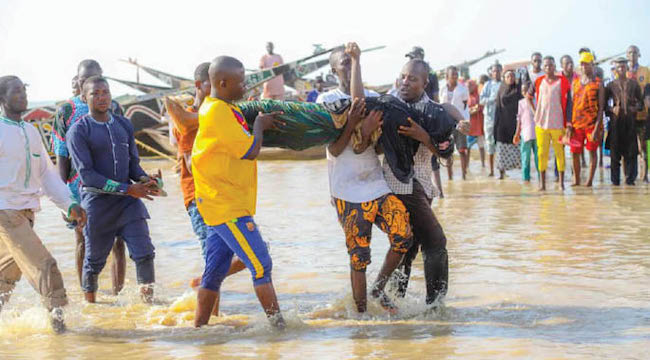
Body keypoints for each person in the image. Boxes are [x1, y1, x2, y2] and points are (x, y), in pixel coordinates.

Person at [317, 44, 413, 314]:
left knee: (403, 235)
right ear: (333, 69)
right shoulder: (326, 101)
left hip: (375, 183)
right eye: (344, 62)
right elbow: (334, 149)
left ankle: (377, 289)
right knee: (359, 256)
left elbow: (380, 148)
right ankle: (360, 315)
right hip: (346, 190)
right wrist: (353, 124)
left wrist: (372, 131)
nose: (350, 66)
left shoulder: (372, 97)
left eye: (353, 61)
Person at [192, 56, 285, 328]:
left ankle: (199, 331)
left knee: (215, 272)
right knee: (261, 264)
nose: (246, 86)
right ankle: (279, 330)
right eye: (242, 81)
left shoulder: (220, 107)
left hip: (218, 202)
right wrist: (260, 126)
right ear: (222, 83)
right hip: (226, 205)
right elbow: (250, 149)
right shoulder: (217, 112)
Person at [0, 75, 86, 333]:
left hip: (26, 212)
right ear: (2, 98)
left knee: (5, 277)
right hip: (5, 211)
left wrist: (69, 204)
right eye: (16, 92)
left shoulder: (31, 131)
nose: (23, 96)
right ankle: (61, 333)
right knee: (46, 266)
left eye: (24, 90)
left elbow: (47, 175)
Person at [67, 76, 158, 304]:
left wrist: (147, 180)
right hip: (98, 204)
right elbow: (87, 176)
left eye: (105, 92)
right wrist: (129, 188)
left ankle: (149, 307)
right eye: (95, 93)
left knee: (145, 254)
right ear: (84, 97)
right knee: (94, 262)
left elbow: (133, 166)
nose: (101, 97)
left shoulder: (124, 125)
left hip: (128, 204)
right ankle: (91, 308)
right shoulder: (78, 131)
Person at [165, 63, 246, 314]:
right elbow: (190, 164)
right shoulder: (191, 119)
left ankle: (205, 286)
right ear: (200, 86)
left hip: (223, 196)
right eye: (212, 83)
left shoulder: (221, 113)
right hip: (199, 198)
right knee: (215, 258)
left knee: (246, 254)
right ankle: (210, 324)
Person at [385, 59, 462, 306]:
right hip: (400, 185)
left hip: (424, 184)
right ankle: (436, 306)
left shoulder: (434, 113)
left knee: (408, 247)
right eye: (403, 77)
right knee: (436, 240)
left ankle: (394, 303)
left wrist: (422, 136)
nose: (405, 82)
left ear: (425, 84)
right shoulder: (390, 105)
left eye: (413, 79)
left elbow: (446, 153)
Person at [52, 60, 126, 295]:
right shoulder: (66, 111)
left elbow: (125, 148)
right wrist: (63, 199)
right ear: (79, 83)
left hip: (114, 185)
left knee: (118, 242)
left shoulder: (115, 107)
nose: (91, 84)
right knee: (83, 240)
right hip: (78, 187)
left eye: (96, 78)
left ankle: (118, 296)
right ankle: (88, 296)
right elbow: (61, 156)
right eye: (85, 80)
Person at [531, 56, 571, 191]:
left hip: (558, 123)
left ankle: (561, 183)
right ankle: (542, 184)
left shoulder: (562, 81)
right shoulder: (538, 81)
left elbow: (569, 102)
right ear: (543, 68)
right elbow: (528, 95)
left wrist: (569, 123)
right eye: (546, 66)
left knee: (559, 153)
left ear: (555, 67)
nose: (548, 68)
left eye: (551, 65)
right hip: (541, 124)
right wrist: (534, 111)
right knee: (541, 153)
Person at [567, 52, 605, 187]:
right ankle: (576, 180)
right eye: (582, 64)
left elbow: (601, 108)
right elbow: (571, 104)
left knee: (592, 152)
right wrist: (569, 124)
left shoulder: (598, 83)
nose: (583, 67)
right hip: (576, 125)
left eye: (586, 64)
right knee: (574, 153)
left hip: (591, 125)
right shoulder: (575, 82)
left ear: (592, 65)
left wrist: (596, 128)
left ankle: (589, 181)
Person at [606, 58, 644, 185]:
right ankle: (615, 182)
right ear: (615, 70)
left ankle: (630, 180)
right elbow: (604, 106)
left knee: (631, 153)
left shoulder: (634, 84)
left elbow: (641, 104)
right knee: (614, 154)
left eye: (623, 66)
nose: (621, 69)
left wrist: (634, 108)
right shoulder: (610, 85)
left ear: (627, 68)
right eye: (619, 67)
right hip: (616, 123)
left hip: (630, 122)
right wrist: (612, 109)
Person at [440, 66, 470, 179]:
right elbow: (441, 104)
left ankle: (464, 175)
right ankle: (450, 177)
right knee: (447, 151)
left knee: (462, 150)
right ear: (447, 76)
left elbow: (465, 106)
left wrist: (465, 122)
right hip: (445, 123)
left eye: (456, 74)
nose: (455, 76)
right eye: (452, 74)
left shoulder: (463, 89)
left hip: (459, 122)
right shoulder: (443, 88)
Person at [626, 45, 650, 182]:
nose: (632, 55)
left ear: (639, 55)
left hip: (642, 115)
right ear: (627, 55)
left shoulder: (645, 71)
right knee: (628, 146)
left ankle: (645, 175)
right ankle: (629, 175)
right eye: (630, 53)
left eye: (635, 52)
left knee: (643, 146)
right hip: (627, 117)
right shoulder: (622, 71)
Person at [494, 70, 523, 179]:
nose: (510, 78)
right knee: (501, 149)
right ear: (504, 78)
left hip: (515, 124)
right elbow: (497, 108)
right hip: (502, 124)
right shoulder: (501, 89)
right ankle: (501, 174)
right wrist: (495, 126)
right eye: (508, 76)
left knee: (517, 149)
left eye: (512, 76)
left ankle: (521, 175)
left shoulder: (518, 89)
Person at [480, 62, 503, 176]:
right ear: (491, 73)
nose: (497, 73)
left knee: (501, 144)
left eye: (499, 70)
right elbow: (481, 100)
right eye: (494, 71)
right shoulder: (487, 84)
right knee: (489, 144)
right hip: (489, 118)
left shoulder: (504, 84)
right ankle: (491, 170)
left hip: (502, 119)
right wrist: (491, 99)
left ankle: (501, 171)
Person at [514, 82, 538, 182]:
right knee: (525, 158)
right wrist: (517, 133)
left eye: (526, 90)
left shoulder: (537, 100)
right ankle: (526, 179)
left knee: (539, 158)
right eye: (522, 91)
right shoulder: (521, 102)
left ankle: (541, 178)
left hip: (538, 134)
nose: (524, 92)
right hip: (525, 134)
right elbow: (519, 119)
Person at [467, 79, 486, 167]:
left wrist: (475, 109)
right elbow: (465, 110)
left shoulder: (479, 96)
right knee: (468, 147)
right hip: (469, 127)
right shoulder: (466, 97)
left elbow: (481, 107)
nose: (469, 88)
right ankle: (466, 166)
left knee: (481, 147)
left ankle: (483, 165)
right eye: (468, 86)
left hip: (479, 126)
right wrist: (473, 110)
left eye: (471, 85)